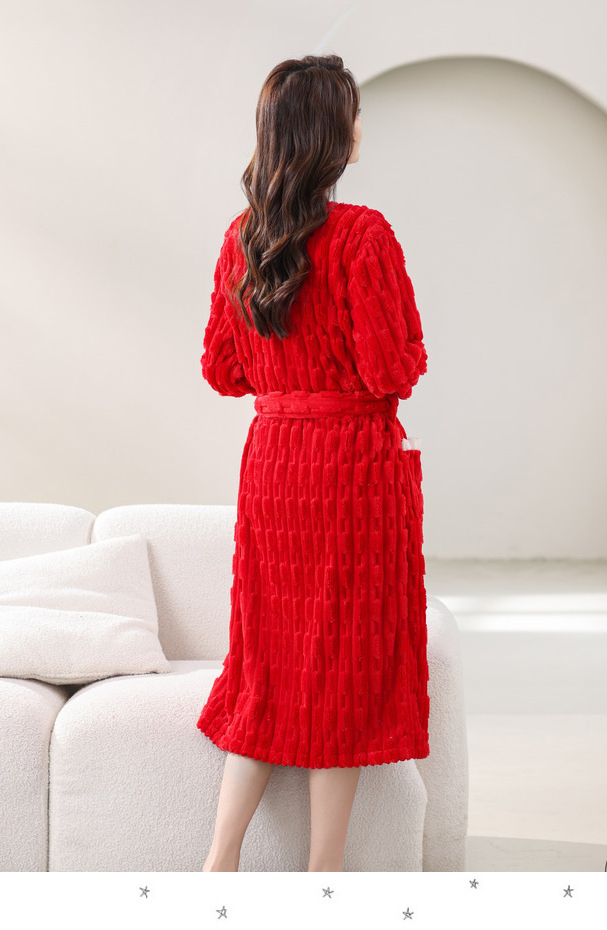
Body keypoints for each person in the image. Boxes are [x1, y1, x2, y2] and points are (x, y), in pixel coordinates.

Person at [196, 53, 429, 873]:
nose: (362, 127)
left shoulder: (241, 238)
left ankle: (219, 861)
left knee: (267, 660)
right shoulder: (365, 235)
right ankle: (323, 874)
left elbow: (222, 371)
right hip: (351, 470)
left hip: (274, 466)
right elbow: (391, 368)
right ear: (333, 133)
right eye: (354, 114)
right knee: (344, 659)